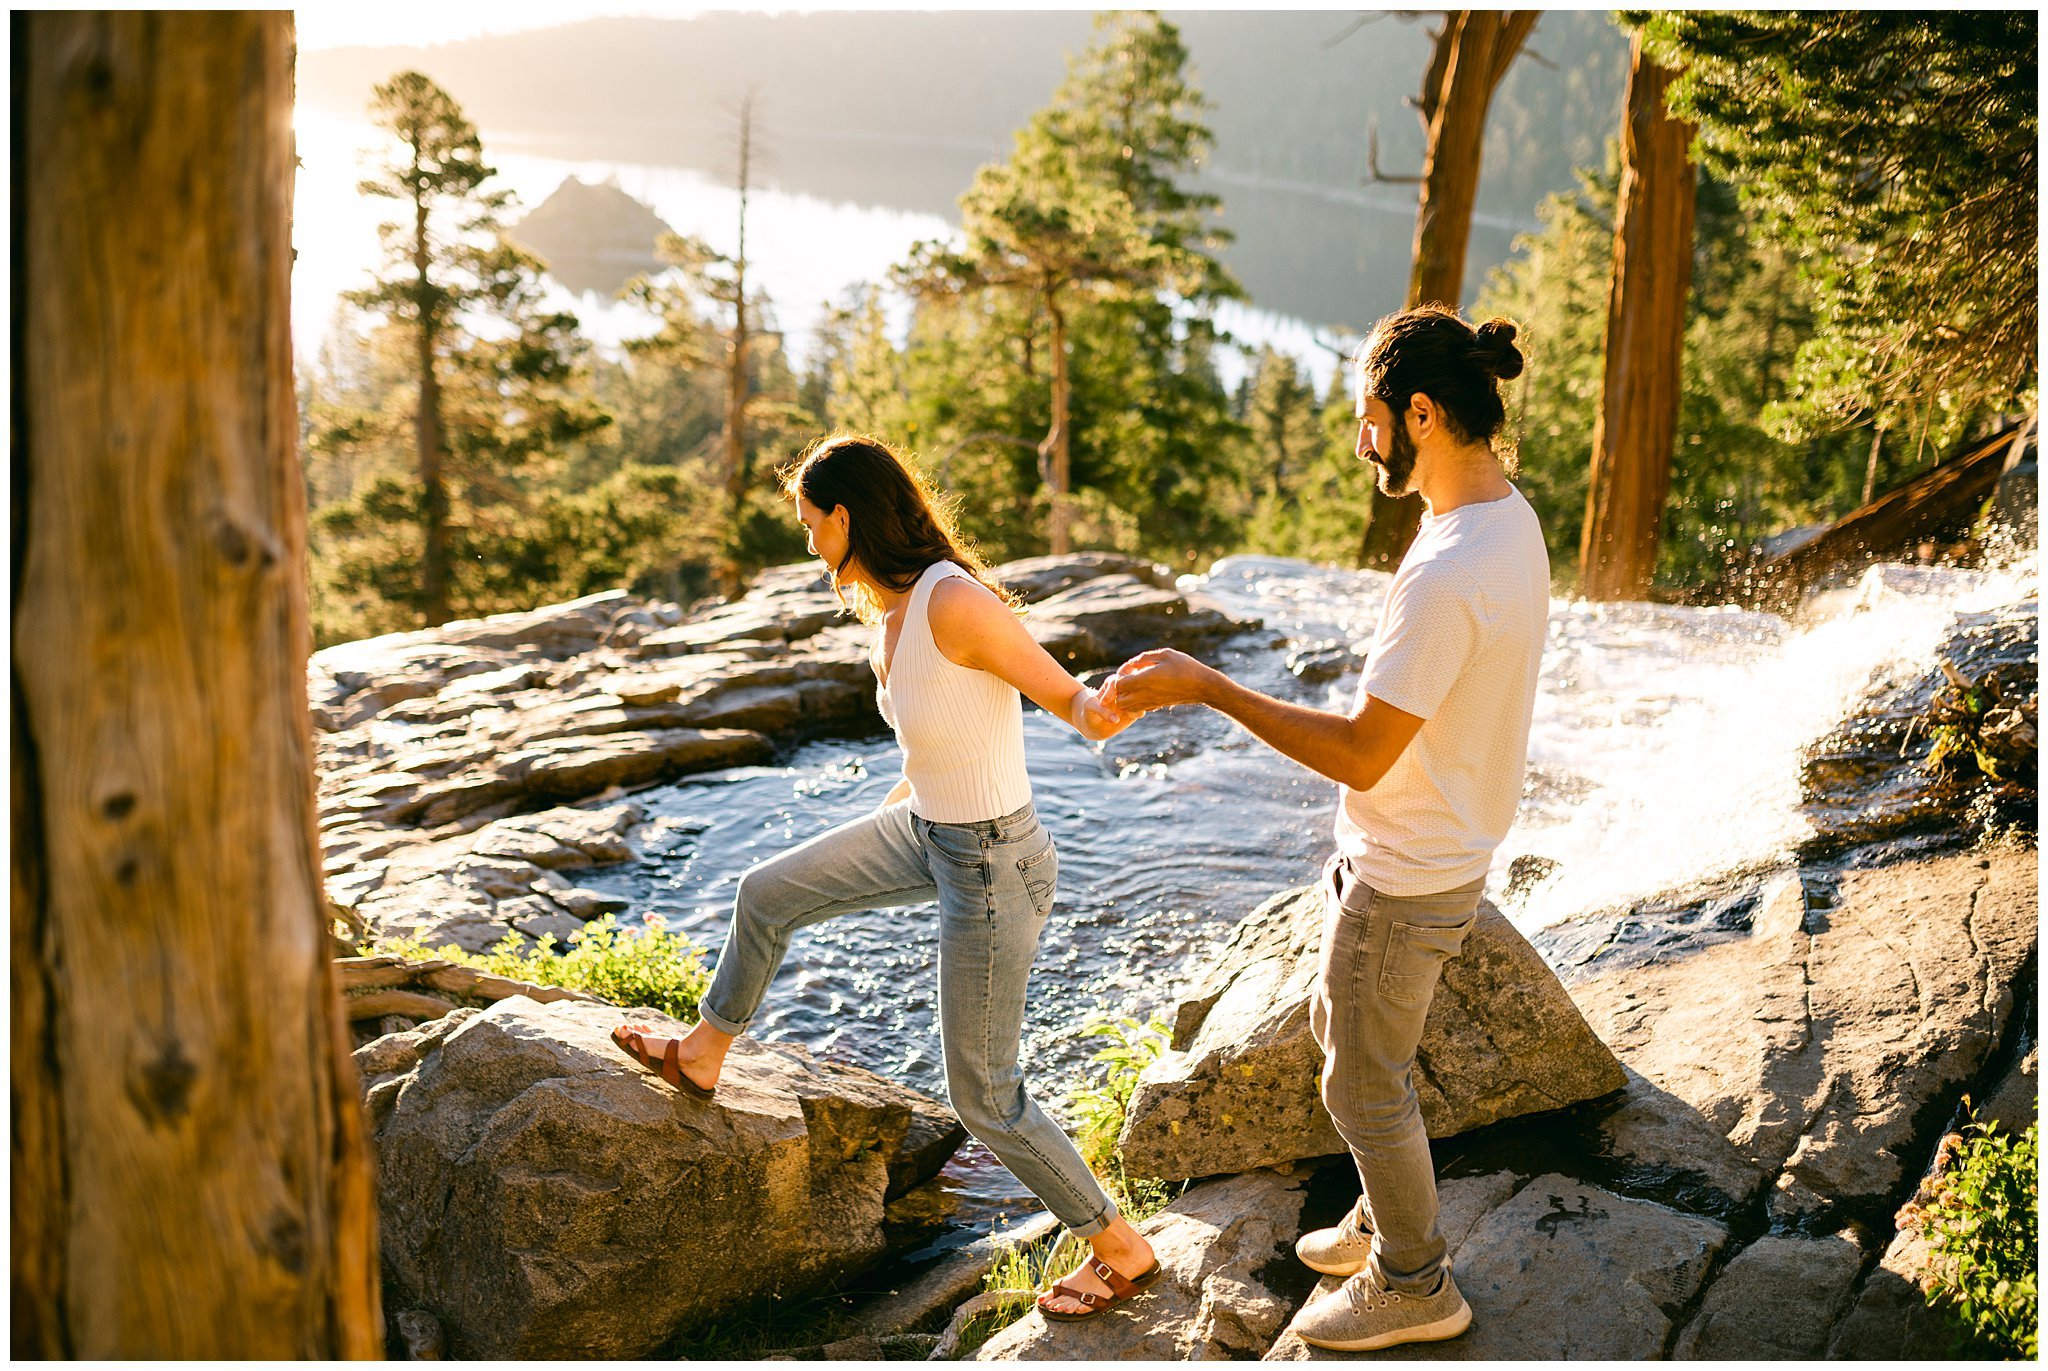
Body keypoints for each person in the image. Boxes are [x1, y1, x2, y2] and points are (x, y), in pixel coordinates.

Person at [612, 433, 1161, 1322]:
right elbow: (931, 742)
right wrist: (885, 819)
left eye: (808, 525)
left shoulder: (955, 601)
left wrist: (1134, 692)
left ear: (846, 516)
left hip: (993, 862)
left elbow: (1077, 707)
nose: (805, 544)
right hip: (925, 827)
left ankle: (1120, 1246)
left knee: (983, 1095)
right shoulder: (891, 610)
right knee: (766, 892)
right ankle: (703, 1056)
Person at [1110, 306, 1547, 1352]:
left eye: (1371, 417)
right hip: (1425, 846)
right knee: (1340, 1040)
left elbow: (1360, 753)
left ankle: (1413, 1280)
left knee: (1359, 1081)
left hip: (1407, 869)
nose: (1363, 439)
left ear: (1423, 413)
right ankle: (1379, 1212)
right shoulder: (1501, 519)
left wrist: (1208, 686)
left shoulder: (1449, 570)